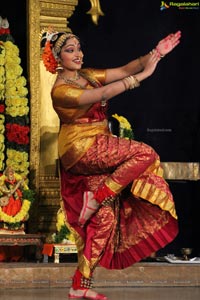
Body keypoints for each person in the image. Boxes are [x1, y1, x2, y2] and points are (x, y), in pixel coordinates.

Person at [41, 29, 181, 300]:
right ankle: (98, 196)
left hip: (99, 145)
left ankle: (80, 285)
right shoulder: (62, 91)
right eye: (70, 49)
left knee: (104, 220)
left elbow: (125, 68)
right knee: (146, 154)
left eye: (78, 47)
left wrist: (157, 53)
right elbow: (105, 92)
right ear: (57, 57)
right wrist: (143, 76)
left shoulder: (86, 76)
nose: (78, 53)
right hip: (81, 149)